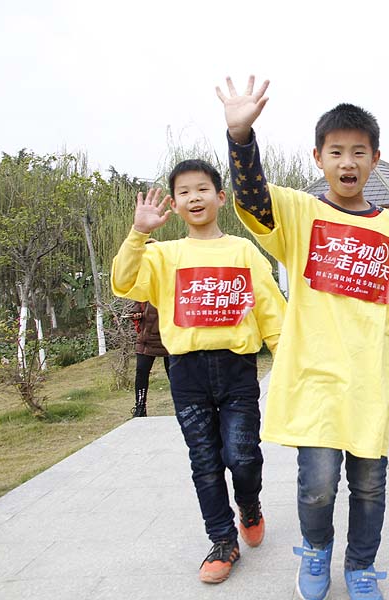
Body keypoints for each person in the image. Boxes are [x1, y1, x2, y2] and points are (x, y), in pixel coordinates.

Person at [217, 75, 389, 600]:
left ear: (375, 158)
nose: (348, 162)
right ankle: (316, 552)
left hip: (369, 380)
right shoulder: (302, 214)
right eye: (337, 151)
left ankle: (362, 566)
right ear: (319, 157)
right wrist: (240, 138)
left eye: (359, 152)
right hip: (315, 377)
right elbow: (253, 200)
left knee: (370, 484)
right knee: (318, 483)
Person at [111, 159, 286, 584]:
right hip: (186, 373)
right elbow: (122, 281)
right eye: (185, 191)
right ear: (175, 202)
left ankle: (249, 505)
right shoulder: (163, 255)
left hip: (237, 370)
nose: (194, 197)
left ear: (220, 197)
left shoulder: (243, 251)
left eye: (202, 189)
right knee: (205, 462)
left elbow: (271, 311)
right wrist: (139, 233)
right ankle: (223, 541)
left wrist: (286, 362)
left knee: (242, 456)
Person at [130, 240, 169, 418]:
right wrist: (135, 314)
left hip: (169, 337)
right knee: (141, 373)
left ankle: (184, 406)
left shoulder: (170, 277)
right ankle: (140, 407)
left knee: (176, 376)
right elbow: (136, 305)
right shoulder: (141, 280)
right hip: (146, 337)